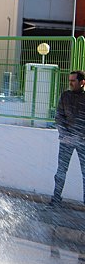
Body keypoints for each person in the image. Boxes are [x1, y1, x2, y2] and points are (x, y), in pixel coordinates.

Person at [51, 70, 85, 207]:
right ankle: (56, 198)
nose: (70, 83)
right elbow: (59, 117)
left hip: (83, 141)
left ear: (82, 82)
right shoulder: (65, 96)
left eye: (73, 81)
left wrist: (80, 135)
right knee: (61, 171)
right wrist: (66, 135)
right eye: (70, 80)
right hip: (66, 140)